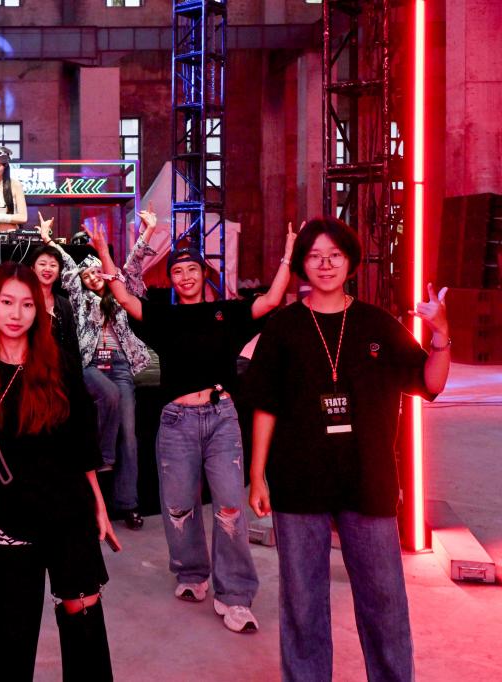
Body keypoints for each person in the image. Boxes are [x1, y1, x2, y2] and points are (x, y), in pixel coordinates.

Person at [246, 217, 450, 681]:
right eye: (315, 256)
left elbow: (431, 382)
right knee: (303, 601)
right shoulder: (283, 328)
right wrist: (257, 475)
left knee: (384, 600)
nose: (325, 264)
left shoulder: (377, 324)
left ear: (350, 262)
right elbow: (265, 405)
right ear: (302, 265)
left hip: (368, 478)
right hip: (298, 478)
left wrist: (441, 335)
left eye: (334, 255)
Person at [94, 214, 296, 633]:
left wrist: (288, 256)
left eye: (192, 269)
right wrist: (103, 255)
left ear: (204, 274)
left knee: (230, 506)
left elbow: (272, 300)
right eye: (177, 271)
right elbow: (126, 299)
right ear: (171, 278)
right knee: (179, 505)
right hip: (176, 422)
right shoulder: (165, 317)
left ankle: (235, 595)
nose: (185, 277)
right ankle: (190, 572)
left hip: (222, 419)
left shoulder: (227, 312)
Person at [0, 262, 119, 682]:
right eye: (7, 302)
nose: (16, 314)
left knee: (83, 620)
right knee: (10, 635)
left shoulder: (59, 362)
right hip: (14, 515)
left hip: (70, 509)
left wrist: (99, 505)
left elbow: (81, 442)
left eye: (27, 304)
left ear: (39, 310)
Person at [36, 212, 151, 531]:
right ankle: (102, 458)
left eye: (98, 272)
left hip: (121, 365)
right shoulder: (79, 298)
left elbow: (134, 265)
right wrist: (49, 241)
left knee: (130, 435)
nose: (93, 277)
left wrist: (148, 231)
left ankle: (128, 504)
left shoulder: (120, 293)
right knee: (105, 399)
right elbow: (67, 267)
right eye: (87, 275)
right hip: (89, 364)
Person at [28, 243, 81, 369]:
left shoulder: (64, 305)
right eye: (42, 264)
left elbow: (72, 347)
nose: (47, 269)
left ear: (58, 273)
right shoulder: (23, 301)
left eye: (53, 265)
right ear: (32, 269)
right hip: (28, 367)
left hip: (59, 369)